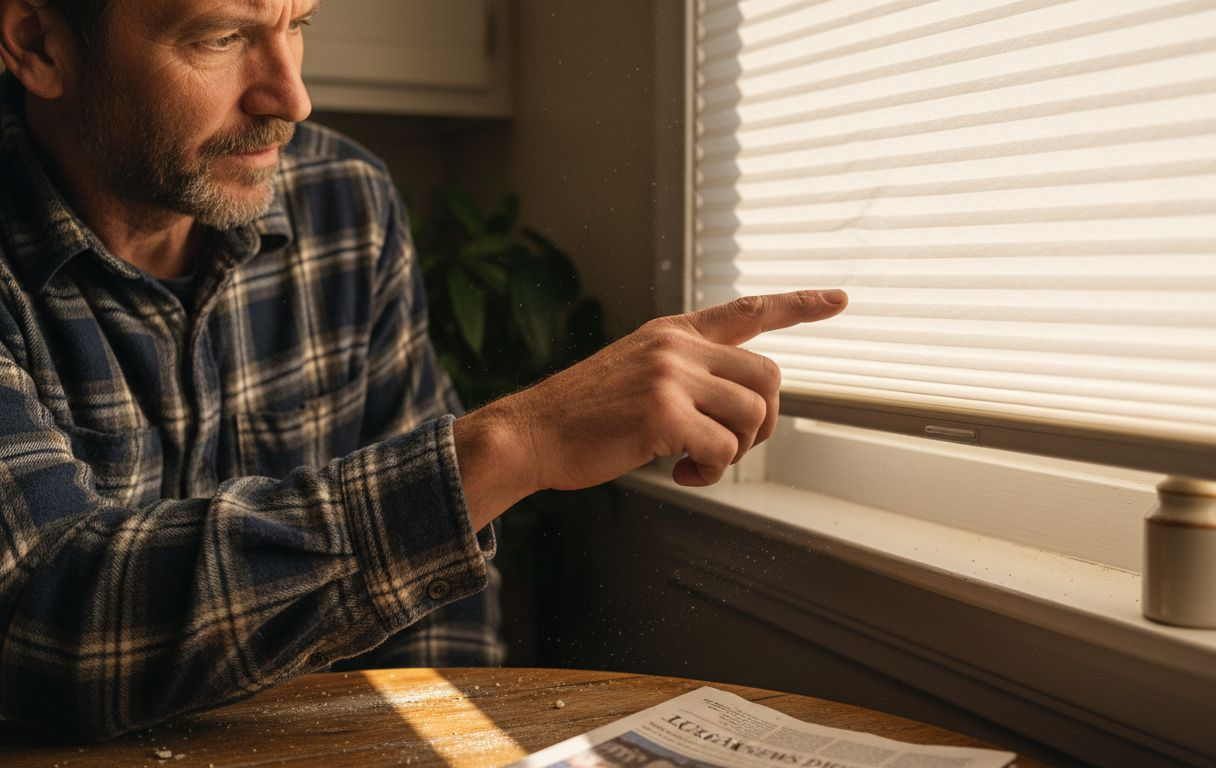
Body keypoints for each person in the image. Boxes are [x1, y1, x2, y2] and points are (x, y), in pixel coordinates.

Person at [0, 0, 848, 743]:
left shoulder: (346, 203)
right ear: (39, 42)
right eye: (221, 37)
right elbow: (47, 626)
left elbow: (439, 607)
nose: (290, 96)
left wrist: (449, 745)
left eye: (298, 25)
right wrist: (511, 443)